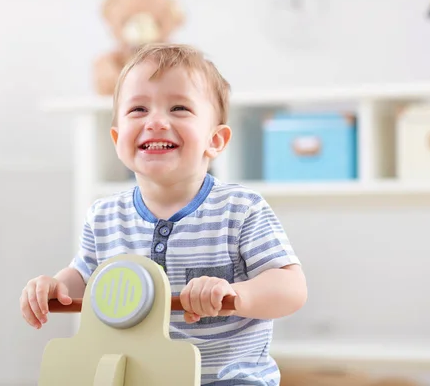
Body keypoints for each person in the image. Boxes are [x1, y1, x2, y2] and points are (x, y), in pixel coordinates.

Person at [20, 43, 307, 385]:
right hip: (139, 376)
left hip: (225, 378)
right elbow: (81, 278)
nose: (156, 121)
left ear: (215, 140)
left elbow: (291, 288)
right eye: (138, 109)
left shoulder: (241, 209)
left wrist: (235, 296)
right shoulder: (103, 216)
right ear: (117, 138)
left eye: (179, 108)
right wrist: (54, 286)